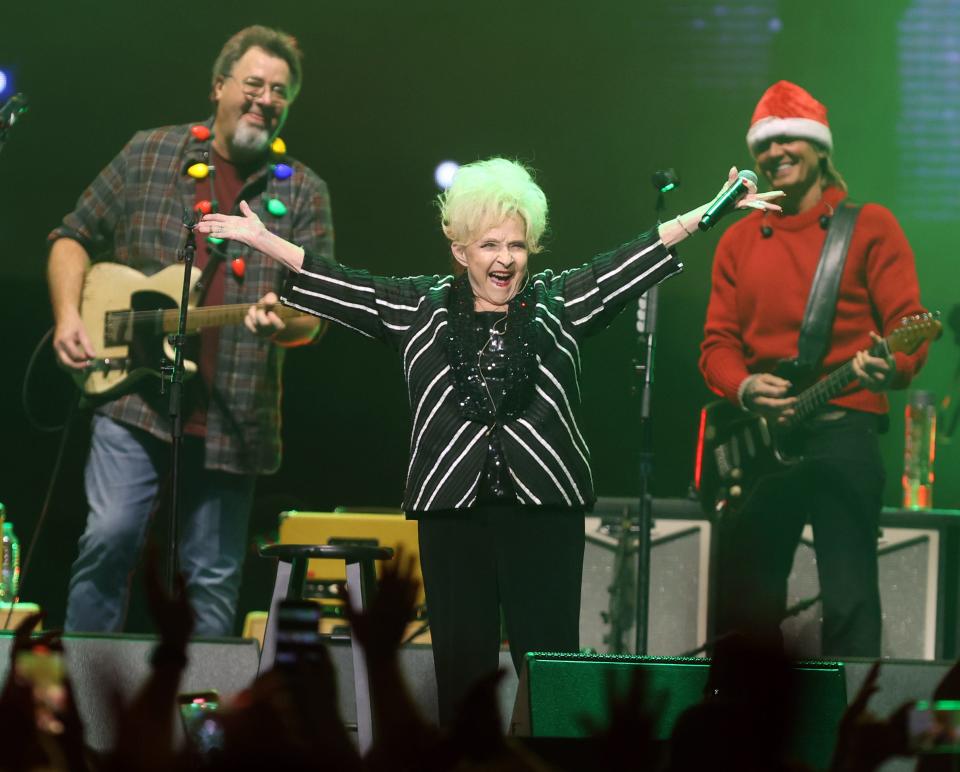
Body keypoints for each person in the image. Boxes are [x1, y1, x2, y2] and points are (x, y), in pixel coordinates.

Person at [196, 157, 779, 720]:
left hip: (546, 510)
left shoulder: (560, 305)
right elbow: (345, 285)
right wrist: (265, 240)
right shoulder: (419, 310)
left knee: (551, 667)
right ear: (461, 252)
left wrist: (710, 211)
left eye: (517, 245)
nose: (505, 260)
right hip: (452, 512)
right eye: (491, 246)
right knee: (462, 669)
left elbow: (633, 256)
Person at [47, 25, 331, 636]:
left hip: (234, 414)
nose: (264, 98)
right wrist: (70, 316)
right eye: (253, 83)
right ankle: (78, 708)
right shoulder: (149, 153)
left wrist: (280, 324)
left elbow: (314, 316)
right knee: (109, 540)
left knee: (213, 577)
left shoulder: (304, 191)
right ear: (219, 86)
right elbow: (72, 236)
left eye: (279, 91)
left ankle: (199, 722)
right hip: (131, 398)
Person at [699, 80, 929, 657]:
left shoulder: (870, 225)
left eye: (789, 140)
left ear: (821, 148)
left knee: (849, 602)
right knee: (745, 612)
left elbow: (908, 325)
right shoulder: (737, 240)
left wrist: (891, 363)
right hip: (763, 441)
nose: (775, 153)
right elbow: (717, 345)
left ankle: (850, 739)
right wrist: (745, 386)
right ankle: (745, 737)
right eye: (764, 145)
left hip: (843, 428)